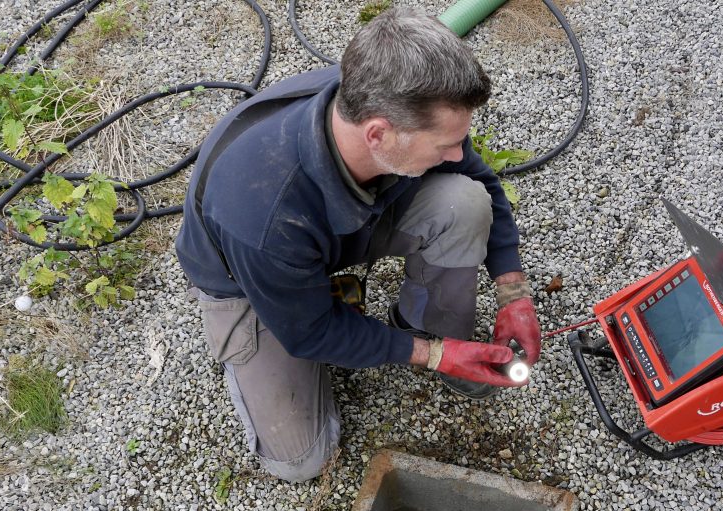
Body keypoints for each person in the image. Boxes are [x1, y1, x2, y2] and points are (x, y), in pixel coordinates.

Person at [174, 9, 540, 482]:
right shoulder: (263, 215)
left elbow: (481, 179)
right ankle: (268, 335)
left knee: (463, 201)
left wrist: (514, 292)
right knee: (302, 459)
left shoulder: (386, 102)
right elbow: (309, 334)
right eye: (444, 145)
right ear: (378, 134)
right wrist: (431, 355)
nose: (457, 153)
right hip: (247, 277)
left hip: (340, 227)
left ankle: (422, 324)